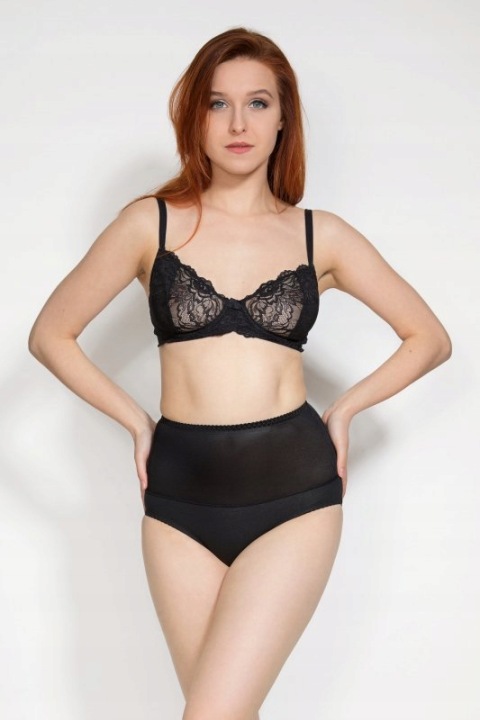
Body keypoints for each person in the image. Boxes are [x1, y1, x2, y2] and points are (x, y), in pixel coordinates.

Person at [28, 26, 452, 720]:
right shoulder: (149, 224)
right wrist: (137, 422)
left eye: (258, 103)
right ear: (194, 116)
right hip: (177, 502)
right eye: (217, 103)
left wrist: (344, 410)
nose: (237, 124)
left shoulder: (320, 234)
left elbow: (429, 338)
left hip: (294, 494)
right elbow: (50, 335)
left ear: (284, 119)